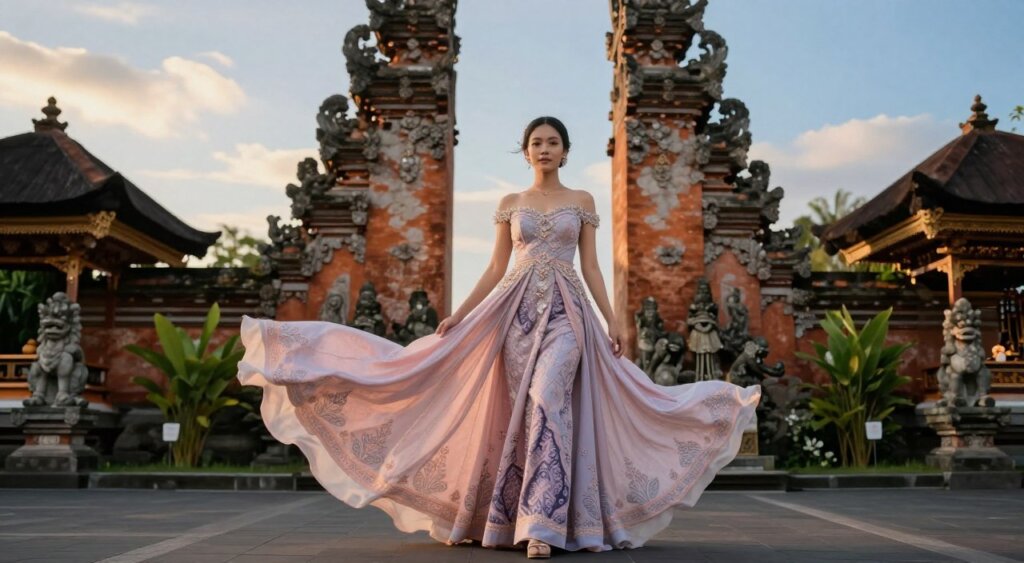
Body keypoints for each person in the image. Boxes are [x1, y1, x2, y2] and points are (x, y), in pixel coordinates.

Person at [237, 116, 760, 559]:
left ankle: (541, 523)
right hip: (511, 316)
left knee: (547, 396)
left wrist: (613, 320)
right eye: (537, 143)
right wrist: (459, 315)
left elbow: (595, 268)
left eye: (553, 142)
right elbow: (494, 267)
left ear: (565, 151)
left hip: (567, 314)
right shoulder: (512, 201)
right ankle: (514, 516)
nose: (545, 149)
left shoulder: (580, 199)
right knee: (520, 410)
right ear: (526, 151)